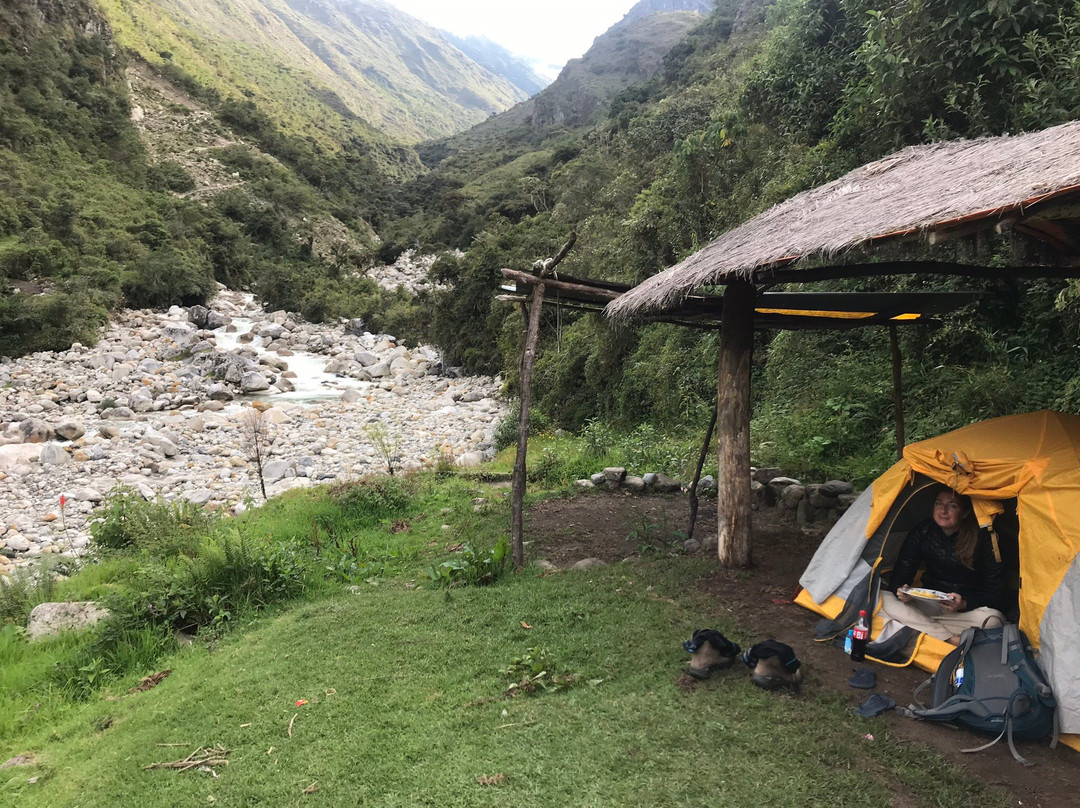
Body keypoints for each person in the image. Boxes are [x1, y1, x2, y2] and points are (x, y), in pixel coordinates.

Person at [879, 486, 1005, 645]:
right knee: (882, 598)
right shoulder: (923, 532)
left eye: (952, 505)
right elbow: (901, 575)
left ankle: (922, 628)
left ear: (965, 513)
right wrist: (902, 591)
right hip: (929, 604)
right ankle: (951, 639)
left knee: (994, 620)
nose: (943, 510)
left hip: (963, 611)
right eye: (939, 503)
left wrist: (964, 603)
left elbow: (996, 593)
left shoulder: (984, 539)